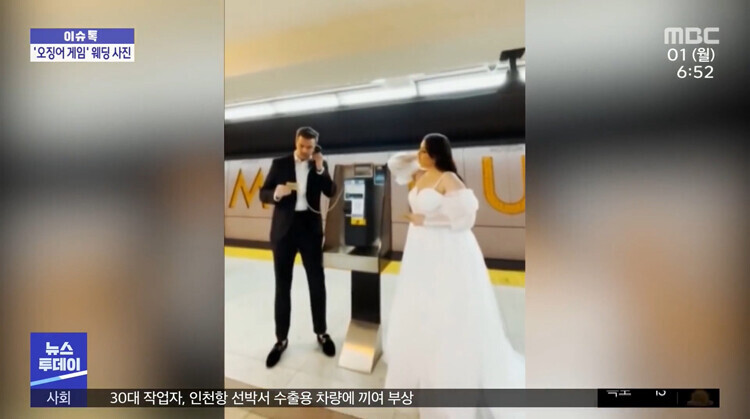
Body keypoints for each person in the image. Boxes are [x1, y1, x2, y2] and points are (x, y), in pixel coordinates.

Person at [384, 133, 525, 418]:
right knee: (422, 305)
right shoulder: (421, 173)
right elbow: (394, 164)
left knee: (447, 308)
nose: (420, 155)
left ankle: (448, 376)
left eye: (425, 151)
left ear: (437, 154)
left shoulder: (449, 179)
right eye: (420, 151)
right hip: (420, 251)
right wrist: (418, 154)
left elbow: (465, 219)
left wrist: (426, 220)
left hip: (446, 251)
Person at [259, 126, 337, 368]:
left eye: (310, 147)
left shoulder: (318, 165)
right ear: (296, 142)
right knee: (283, 285)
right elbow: (263, 193)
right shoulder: (279, 164)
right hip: (284, 233)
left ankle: (321, 332)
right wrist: (275, 194)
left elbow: (331, 191)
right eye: (302, 146)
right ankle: (281, 339)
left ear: (315, 147)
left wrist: (320, 167)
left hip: (310, 232)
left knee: (317, 282)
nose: (305, 150)